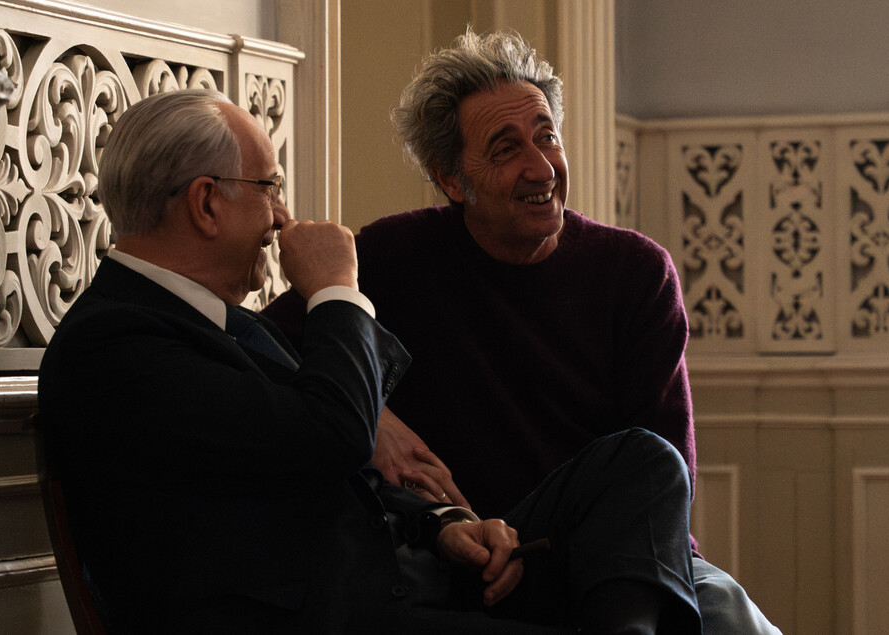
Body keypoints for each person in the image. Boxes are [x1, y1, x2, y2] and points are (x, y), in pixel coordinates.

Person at [37, 88, 701, 633]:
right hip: (338, 616)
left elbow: (322, 460)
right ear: (207, 203)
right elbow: (332, 435)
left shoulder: (225, 324)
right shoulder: (116, 345)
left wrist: (442, 525)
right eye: (268, 186)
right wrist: (335, 288)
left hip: (408, 581)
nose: (281, 216)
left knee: (644, 461)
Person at [263, 29, 781, 634]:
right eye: (506, 149)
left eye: (547, 136)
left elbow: (669, 474)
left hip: (607, 553)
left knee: (728, 610)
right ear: (453, 180)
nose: (541, 167)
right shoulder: (391, 257)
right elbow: (258, 349)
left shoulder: (636, 272)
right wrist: (372, 416)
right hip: (461, 554)